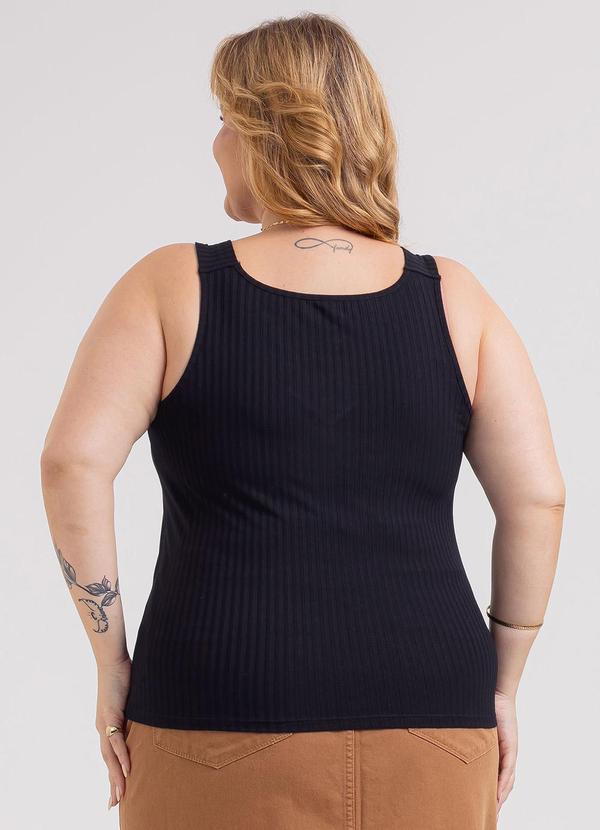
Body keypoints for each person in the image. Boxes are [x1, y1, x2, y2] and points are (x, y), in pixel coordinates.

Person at [40, 12, 565, 830]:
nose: (215, 143)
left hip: (212, 711)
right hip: (436, 717)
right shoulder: (457, 300)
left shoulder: (171, 288)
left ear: (262, 131)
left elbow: (73, 461)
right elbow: (538, 498)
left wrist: (110, 663)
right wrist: (503, 681)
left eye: (224, 120)